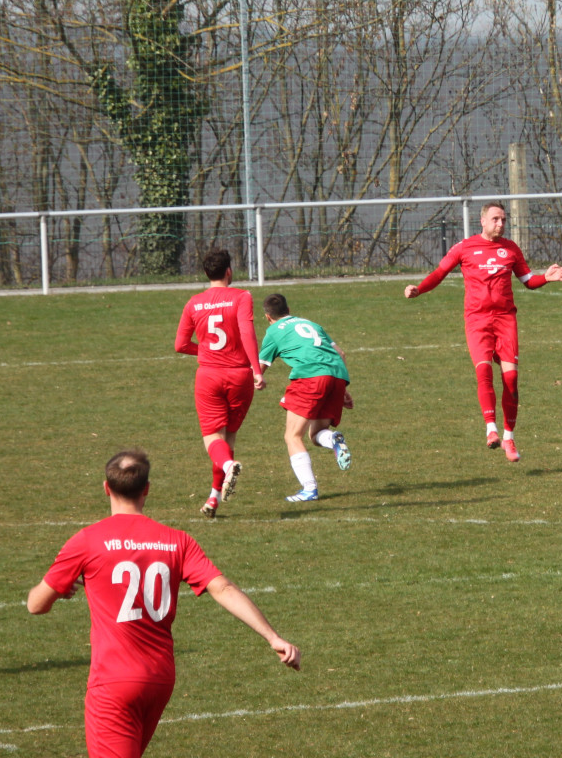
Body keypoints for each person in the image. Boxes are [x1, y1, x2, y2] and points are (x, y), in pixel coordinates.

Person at [26, 450, 301, 758]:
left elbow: (36, 605)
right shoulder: (177, 541)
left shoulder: (87, 541)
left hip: (114, 681)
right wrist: (273, 637)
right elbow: (222, 588)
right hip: (159, 679)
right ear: (147, 489)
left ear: (106, 488)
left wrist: (59, 591)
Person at [403, 201, 562, 462]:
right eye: (495, 219)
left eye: (503, 219)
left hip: (505, 320)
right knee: (483, 369)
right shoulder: (464, 247)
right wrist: (419, 289)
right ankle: (491, 429)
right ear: (482, 221)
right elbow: (439, 273)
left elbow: (527, 281)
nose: (501, 224)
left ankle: (508, 436)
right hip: (477, 319)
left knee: (511, 380)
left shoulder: (511, 249)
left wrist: (545, 278)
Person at [174, 247, 264, 519]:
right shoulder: (242, 296)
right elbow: (247, 331)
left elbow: (180, 345)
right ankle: (214, 498)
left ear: (205, 273)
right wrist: (257, 369)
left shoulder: (193, 303)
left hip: (209, 376)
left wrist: (204, 351)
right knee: (229, 437)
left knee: (213, 438)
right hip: (240, 376)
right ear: (229, 271)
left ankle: (227, 467)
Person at [259, 293, 353, 502]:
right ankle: (333, 440)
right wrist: (343, 388)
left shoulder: (273, 331)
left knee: (292, 436)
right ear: (289, 309)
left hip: (310, 377)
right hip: (336, 375)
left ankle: (309, 488)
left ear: (268, 316)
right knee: (317, 434)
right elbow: (341, 353)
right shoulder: (311, 324)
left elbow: (260, 368)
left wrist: (255, 379)